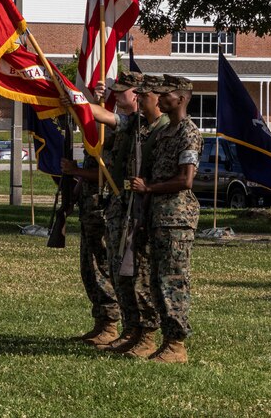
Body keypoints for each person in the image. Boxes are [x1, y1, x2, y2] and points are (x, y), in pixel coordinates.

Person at [82, 73, 168, 358]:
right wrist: (76, 99)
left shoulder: (162, 128)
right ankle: (131, 330)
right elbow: (108, 119)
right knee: (123, 272)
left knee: (142, 274)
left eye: (141, 94)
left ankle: (147, 334)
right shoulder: (135, 124)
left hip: (145, 208)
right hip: (123, 206)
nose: (138, 99)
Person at [128, 74, 201, 363]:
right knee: (156, 280)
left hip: (177, 218)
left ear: (181, 98)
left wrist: (149, 189)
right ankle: (163, 341)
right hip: (158, 215)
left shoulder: (188, 132)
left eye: (166, 94)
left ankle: (176, 343)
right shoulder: (165, 132)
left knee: (173, 280)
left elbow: (186, 180)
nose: (159, 98)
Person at [59, 79, 122, 348]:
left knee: (102, 266)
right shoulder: (96, 136)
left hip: (104, 208)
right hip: (89, 208)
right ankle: (101, 321)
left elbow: (107, 174)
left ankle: (111, 323)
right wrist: (75, 191)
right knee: (89, 268)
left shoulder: (114, 134)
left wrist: (75, 173)